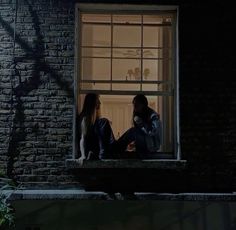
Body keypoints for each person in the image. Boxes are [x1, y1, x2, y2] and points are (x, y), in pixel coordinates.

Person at [117, 94, 162, 159]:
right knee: (133, 131)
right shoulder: (140, 114)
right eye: (134, 105)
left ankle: (115, 148)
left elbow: (152, 131)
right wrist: (135, 144)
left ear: (143, 104)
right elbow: (141, 133)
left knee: (133, 131)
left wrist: (141, 123)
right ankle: (116, 148)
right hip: (147, 145)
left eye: (137, 105)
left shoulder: (153, 116)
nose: (135, 107)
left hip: (152, 147)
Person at [77, 93, 116, 165]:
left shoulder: (94, 117)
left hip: (95, 148)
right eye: (98, 100)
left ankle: (112, 151)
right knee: (104, 121)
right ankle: (108, 153)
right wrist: (83, 155)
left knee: (104, 121)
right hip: (91, 149)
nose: (100, 103)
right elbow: (82, 138)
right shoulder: (85, 117)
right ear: (93, 102)